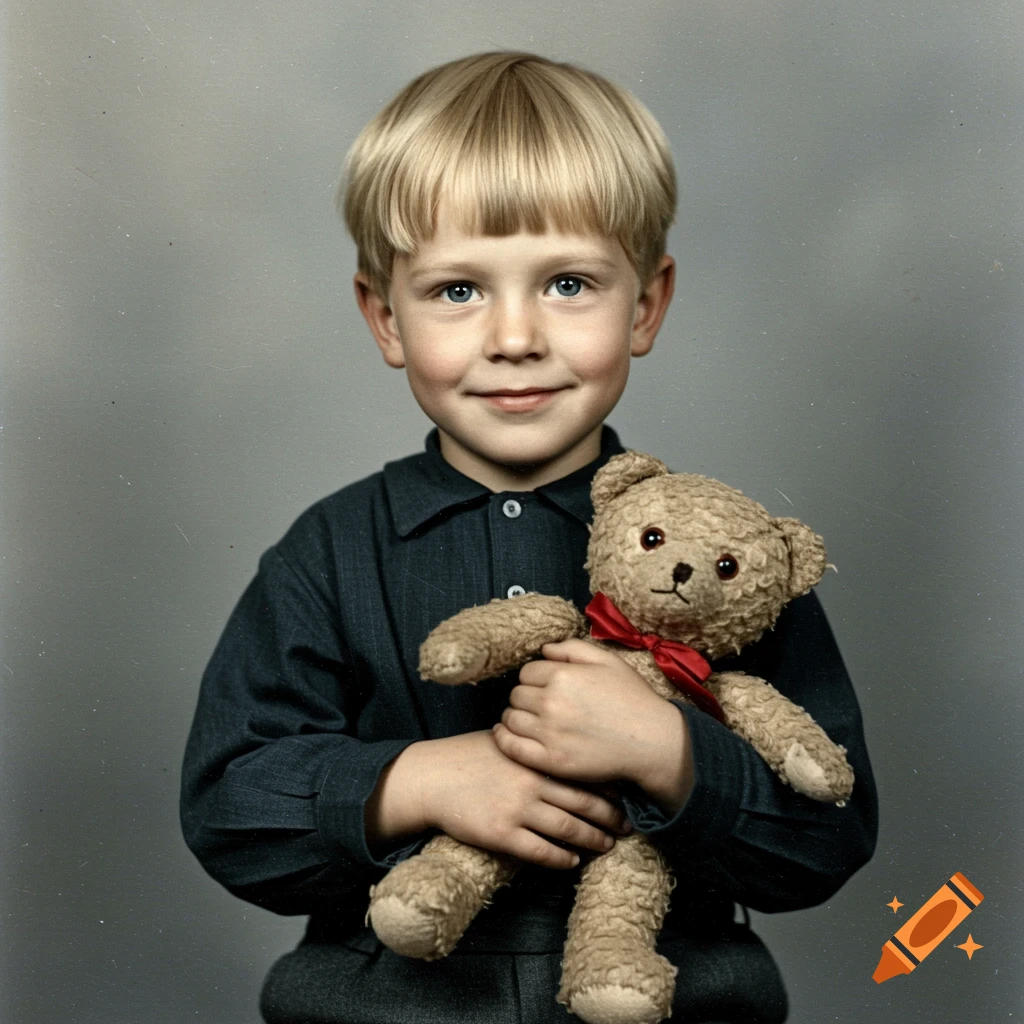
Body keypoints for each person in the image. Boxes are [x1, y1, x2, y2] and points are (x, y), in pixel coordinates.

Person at [179, 50, 878, 1024]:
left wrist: (674, 755)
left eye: (566, 283)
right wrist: (411, 781)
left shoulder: (725, 561)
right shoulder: (329, 552)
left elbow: (827, 835)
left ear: (645, 303)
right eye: (458, 290)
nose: (514, 335)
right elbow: (228, 805)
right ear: (385, 316)